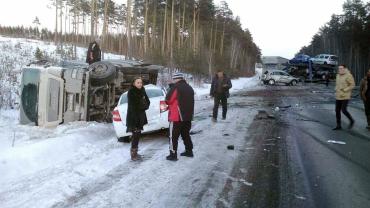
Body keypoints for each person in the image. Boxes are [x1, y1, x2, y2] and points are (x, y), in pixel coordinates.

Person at [165, 73, 195, 161]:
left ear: (176, 79)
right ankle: (189, 151)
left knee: (173, 136)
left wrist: (170, 89)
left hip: (177, 116)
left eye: (174, 79)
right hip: (188, 116)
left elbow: (168, 100)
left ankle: (173, 154)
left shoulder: (176, 87)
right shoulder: (189, 87)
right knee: (185, 134)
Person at [126, 77, 150, 161]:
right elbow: (133, 107)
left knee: (138, 135)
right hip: (134, 117)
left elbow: (148, 102)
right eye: (138, 83)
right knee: (135, 136)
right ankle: (133, 155)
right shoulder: (131, 92)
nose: (140, 84)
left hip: (140, 117)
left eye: (141, 82)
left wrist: (144, 105)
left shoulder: (143, 90)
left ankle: (135, 152)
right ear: (134, 83)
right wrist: (142, 105)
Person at [333, 65, 355, 130]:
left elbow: (352, 85)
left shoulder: (348, 75)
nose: (340, 69)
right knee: (337, 110)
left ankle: (351, 120)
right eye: (339, 68)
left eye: (341, 68)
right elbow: (337, 84)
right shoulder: (337, 75)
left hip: (345, 95)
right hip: (338, 95)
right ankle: (338, 125)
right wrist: (336, 89)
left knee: (344, 110)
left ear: (345, 69)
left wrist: (345, 90)